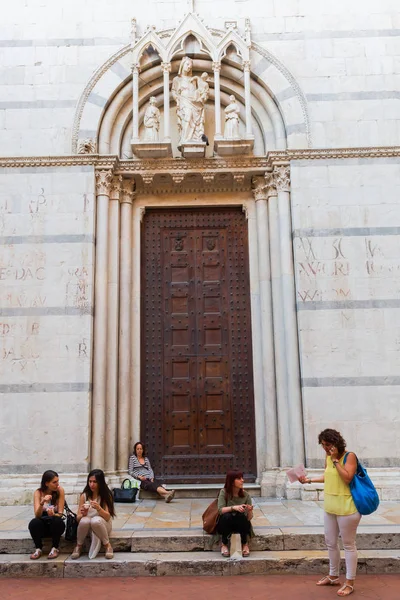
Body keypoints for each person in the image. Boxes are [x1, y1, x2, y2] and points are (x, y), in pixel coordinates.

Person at [299, 429, 360, 597]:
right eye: (323, 445)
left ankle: (350, 582)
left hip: (347, 507)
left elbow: (347, 477)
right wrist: (309, 480)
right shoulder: (327, 458)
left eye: (328, 445)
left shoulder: (349, 456)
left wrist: (335, 460)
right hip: (330, 506)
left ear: (336, 443)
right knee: (330, 542)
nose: (325, 448)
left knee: (348, 544)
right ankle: (333, 576)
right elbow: (328, 476)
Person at [71, 469, 115, 560]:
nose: (92, 484)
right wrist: (83, 514)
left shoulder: (106, 495)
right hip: (88, 526)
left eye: (95, 482)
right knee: (84, 520)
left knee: (95, 520)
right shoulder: (84, 496)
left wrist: (99, 508)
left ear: (100, 482)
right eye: (90, 481)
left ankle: (107, 546)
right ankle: (78, 546)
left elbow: (107, 517)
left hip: (103, 524)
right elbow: (78, 518)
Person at [172, 56, 209, 146]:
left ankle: (195, 138)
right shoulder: (177, 80)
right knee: (187, 116)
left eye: (190, 66)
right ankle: (185, 138)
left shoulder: (194, 80)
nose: (189, 67)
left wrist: (203, 95)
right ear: (182, 64)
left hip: (194, 102)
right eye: (187, 64)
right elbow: (174, 91)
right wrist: (177, 98)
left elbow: (201, 90)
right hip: (183, 101)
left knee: (194, 117)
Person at [28, 470, 65, 560]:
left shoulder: (60, 490)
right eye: (54, 482)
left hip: (55, 524)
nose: (57, 484)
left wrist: (53, 515)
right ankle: (38, 548)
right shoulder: (38, 492)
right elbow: (37, 515)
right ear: (47, 483)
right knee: (34, 523)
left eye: (58, 481)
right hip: (43, 522)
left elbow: (60, 513)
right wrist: (42, 503)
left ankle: (55, 548)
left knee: (57, 521)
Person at [216, 470, 254, 557]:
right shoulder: (224, 492)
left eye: (242, 478)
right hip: (226, 523)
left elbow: (249, 518)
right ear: (231, 481)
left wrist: (250, 510)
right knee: (227, 516)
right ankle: (224, 544)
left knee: (241, 516)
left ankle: (244, 544)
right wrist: (234, 508)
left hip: (241, 524)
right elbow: (220, 510)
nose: (242, 480)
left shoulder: (246, 495)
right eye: (239, 479)